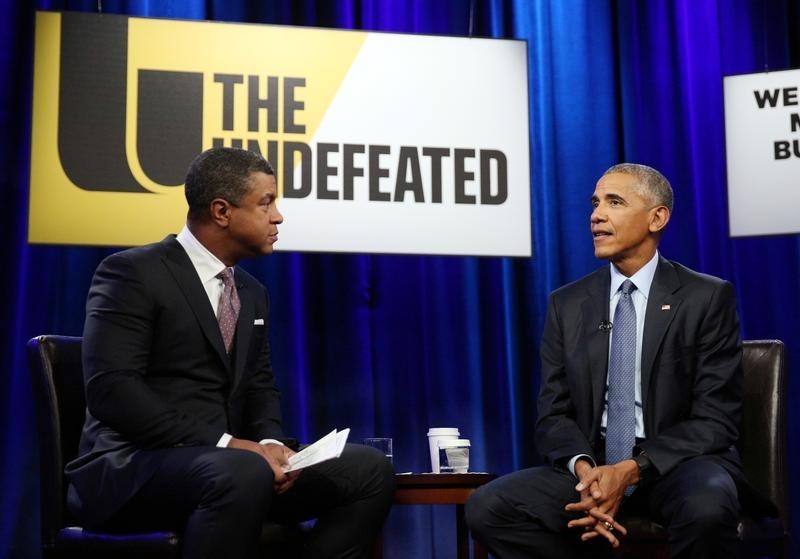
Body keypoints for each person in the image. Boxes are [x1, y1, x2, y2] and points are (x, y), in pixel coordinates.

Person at [65, 147, 395, 559]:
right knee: (241, 471)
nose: (278, 216)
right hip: (134, 468)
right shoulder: (133, 273)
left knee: (367, 470)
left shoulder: (252, 292)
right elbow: (113, 391)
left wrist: (270, 442)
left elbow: (258, 384)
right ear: (222, 211)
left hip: (232, 467)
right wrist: (227, 444)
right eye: (266, 202)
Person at [465, 163, 759, 558]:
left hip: (676, 465)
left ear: (657, 217)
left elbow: (716, 418)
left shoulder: (705, 297)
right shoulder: (566, 304)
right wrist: (587, 472)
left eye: (614, 202)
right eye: (595, 203)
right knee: (490, 508)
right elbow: (553, 414)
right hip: (595, 464)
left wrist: (631, 470)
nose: (596, 215)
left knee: (707, 507)